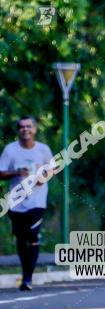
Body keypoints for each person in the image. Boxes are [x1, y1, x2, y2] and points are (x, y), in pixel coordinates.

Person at [0, 116, 56, 291]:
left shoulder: (43, 149)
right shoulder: (10, 150)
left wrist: (43, 177)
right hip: (16, 203)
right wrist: (16, 173)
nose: (25, 130)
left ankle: (27, 278)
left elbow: (52, 170)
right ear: (18, 131)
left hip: (37, 202)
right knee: (21, 238)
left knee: (32, 236)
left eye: (29, 127)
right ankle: (26, 274)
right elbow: (0, 173)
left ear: (35, 129)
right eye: (22, 127)